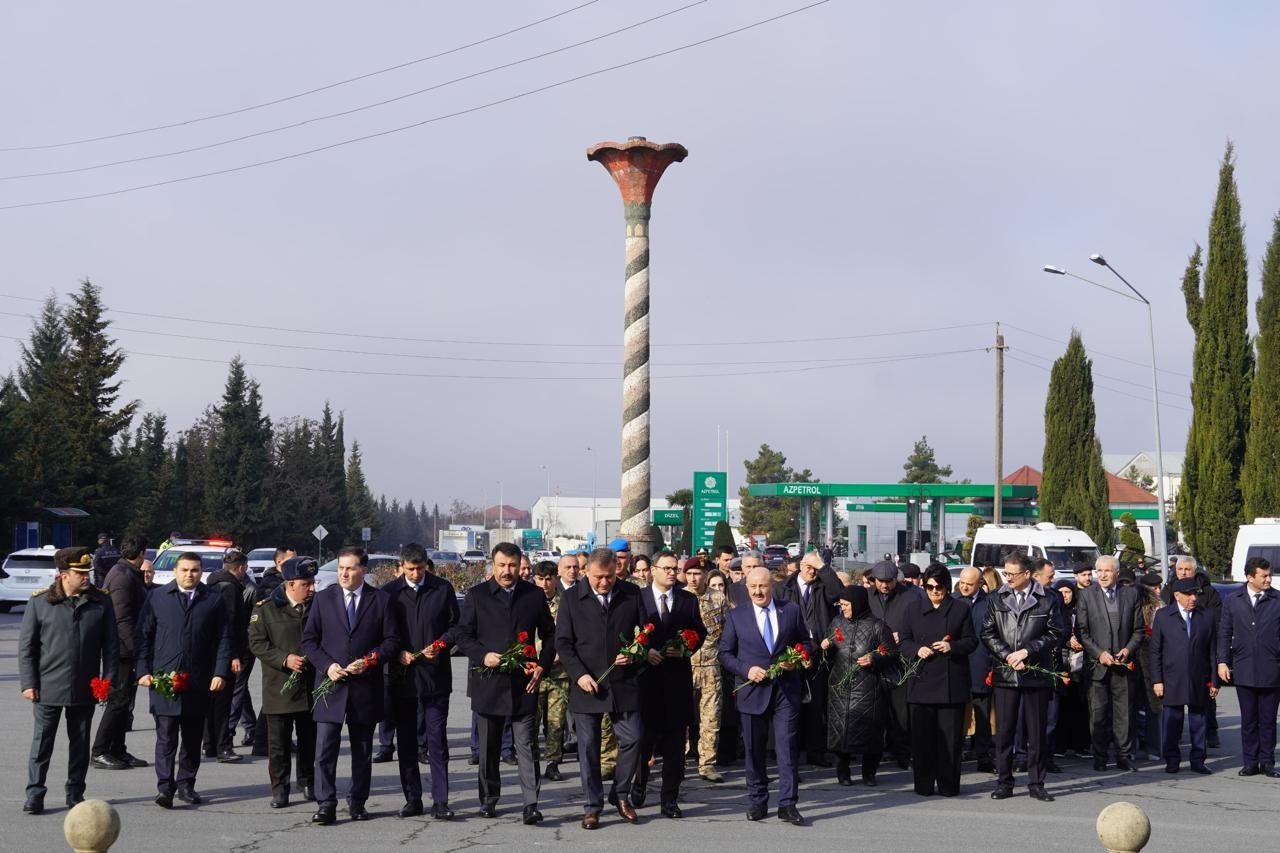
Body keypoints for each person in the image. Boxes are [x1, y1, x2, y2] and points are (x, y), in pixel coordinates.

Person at [456, 542, 555, 824]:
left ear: (520, 565)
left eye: (512, 565)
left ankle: (531, 804)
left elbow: (550, 635)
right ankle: (489, 799)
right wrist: (482, 655)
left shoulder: (533, 595)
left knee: (527, 745)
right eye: (501, 565)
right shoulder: (477, 596)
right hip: (489, 682)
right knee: (489, 747)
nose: (507, 571)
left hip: (524, 683)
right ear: (493, 564)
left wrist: (542, 666)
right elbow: (462, 635)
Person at [302, 546, 400, 825]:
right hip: (330, 686)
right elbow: (309, 640)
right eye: (341, 568)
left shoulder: (380, 600)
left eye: (350, 568)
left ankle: (357, 802)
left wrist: (369, 661)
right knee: (325, 749)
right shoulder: (323, 599)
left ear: (363, 570)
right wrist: (327, 666)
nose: (344, 573)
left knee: (362, 750)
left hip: (364, 687)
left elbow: (391, 641)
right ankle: (326, 804)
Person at [19, 547, 118, 814]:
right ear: (63, 575)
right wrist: (29, 683)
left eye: (88, 572)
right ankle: (35, 794)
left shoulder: (100, 602)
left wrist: (107, 681)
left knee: (80, 744)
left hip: (85, 686)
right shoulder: (40, 602)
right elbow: (27, 647)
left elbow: (111, 647)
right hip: (47, 686)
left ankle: (75, 792)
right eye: (80, 573)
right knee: (42, 744)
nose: (86, 577)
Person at [554, 546, 646, 831]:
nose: (604, 582)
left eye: (609, 577)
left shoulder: (631, 594)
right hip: (587, 684)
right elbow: (563, 643)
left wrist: (634, 653)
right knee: (589, 748)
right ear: (586, 572)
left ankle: (620, 794)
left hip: (623, 682)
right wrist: (579, 674)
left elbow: (644, 634)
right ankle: (592, 807)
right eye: (598, 577)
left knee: (634, 738)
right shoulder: (571, 599)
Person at [135, 551, 231, 809]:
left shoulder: (213, 599)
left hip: (198, 680)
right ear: (175, 571)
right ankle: (165, 787)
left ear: (201, 572)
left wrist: (220, 672)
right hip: (164, 679)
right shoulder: (157, 597)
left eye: (195, 570)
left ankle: (186, 784)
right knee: (166, 737)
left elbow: (224, 639)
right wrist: (142, 670)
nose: (189, 575)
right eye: (185, 570)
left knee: (191, 737)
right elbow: (143, 637)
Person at [720, 566, 811, 825]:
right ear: (747, 588)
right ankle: (758, 800)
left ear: (772, 586)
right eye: (753, 587)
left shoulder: (790, 610)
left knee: (787, 748)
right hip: (752, 692)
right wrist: (746, 670)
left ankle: (788, 803)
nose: (758, 591)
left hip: (785, 692)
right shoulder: (737, 615)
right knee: (754, 750)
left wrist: (797, 658)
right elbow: (724, 653)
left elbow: (806, 643)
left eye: (763, 586)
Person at [384, 543, 459, 820]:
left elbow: (456, 626)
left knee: (437, 741)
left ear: (427, 565)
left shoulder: (442, 589)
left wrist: (441, 644)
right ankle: (412, 799)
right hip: (403, 679)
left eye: (420, 568)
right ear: (401, 566)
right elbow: (383, 633)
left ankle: (441, 801)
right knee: (406, 743)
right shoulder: (389, 593)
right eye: (410, 569)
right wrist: (398, 653)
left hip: (435, 678)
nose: (416, 574)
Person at [981, 554, 1063, 802]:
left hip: (1035, 673)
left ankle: (1036, 783)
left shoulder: (1048, 598)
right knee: (1005, 732)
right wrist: (1007, 655)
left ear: (1027, 574)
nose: (1007, 578)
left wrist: (1027, 652)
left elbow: (1056, 633)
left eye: (1012, 574)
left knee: (1036, 733)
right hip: (1006, 673)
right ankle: (1004, 782)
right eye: (1005, 573)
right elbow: (987, 632)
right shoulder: (996, 598)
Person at [631, 551, 706, 817]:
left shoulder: (687, 600)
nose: (673, 573)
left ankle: (670, 798)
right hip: (647, 680)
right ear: (653, 570)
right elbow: (628, 632)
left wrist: (686, 648)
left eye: (675, 568)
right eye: (667, 568)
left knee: (675, 745)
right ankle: (639, 783)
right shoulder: (638, 598)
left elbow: (699, 632)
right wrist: (644, 653)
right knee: (643, 739)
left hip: (677, 680)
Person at [899, 564, 977, 797]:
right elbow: (903, 641)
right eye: (929, 587)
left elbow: (971, 641)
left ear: (947, 587)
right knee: (922, 741)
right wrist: (916, 650)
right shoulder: (913, 609)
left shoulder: (960, 609)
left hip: (950, 684)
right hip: (921, 682)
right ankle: (923, 785)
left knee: (950, 741)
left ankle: (948, 785)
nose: (934, 591)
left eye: (939, 587)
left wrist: (952, 646)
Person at [248, 556, 318, 808]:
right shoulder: (266, 608)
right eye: (306, 584)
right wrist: (284, 659)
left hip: (311, 686)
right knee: (279, 745)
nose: (312, 588)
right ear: (290, 584)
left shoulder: (318, 606)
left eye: (313, 583)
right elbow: (257, 643)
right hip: (280, 686)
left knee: (309, 740)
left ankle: (308, 782)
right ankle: (280, 789)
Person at [1075, 555, 1144, 771]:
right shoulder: (1086, 595)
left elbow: (1139, 630)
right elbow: (1082, 632)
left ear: (1117, 573)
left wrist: (1128, 649)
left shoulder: (1131, 594)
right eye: (1099, 571)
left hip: (1123, 665)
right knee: (1098, 714)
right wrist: (1099, 654)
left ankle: (1123, 755)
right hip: (1098, 666)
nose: (1102, 575)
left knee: (1124, 714)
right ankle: (1100, 757)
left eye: (1107, 571)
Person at [823, 585, 896, 786]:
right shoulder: (837, 622)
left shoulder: (878, 626)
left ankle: (869, 773)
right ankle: (843, 772)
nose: (843, 609)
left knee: (870, 733)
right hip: (840, 687)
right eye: (841, 605)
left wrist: (874, 658)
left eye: (846, 605)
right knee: (840, 731)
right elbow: (829, 654)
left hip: (868, 689)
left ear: (858, 604)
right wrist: (825, 647)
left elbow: (892, 653)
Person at [1217, 556, 1280, 777]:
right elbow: (1224, 633)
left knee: (1268, 721)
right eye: (1264, 576)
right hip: (1244, 668)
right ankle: (1250, 762)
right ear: (1250, 577)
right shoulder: (1233, 600)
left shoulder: (1277, 599)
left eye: (1269, 575)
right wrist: (1222, 661)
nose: (1268, 579)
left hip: (1272, 669)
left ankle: (1267, 762)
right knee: (1249, 720)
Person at [91, 536, 149, 771]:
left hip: (127, 649)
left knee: (125, 703)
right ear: (142, 553)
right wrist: (137, 652)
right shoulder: (122, 576)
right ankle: (100, 751)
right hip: (122, 651)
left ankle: (118, 749)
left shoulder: (127, 573)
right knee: (117, 702)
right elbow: (122, 619)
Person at [1151, 577, 1218, 774]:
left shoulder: (1206, 616)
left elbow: (1212, 651)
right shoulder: (1163, 616)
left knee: (1199, 722)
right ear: (1177, 595)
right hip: (1172, 677)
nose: (1193, 598)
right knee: (1172, 721)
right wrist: (1157, 680)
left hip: (1199, 677)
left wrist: (1214, 681)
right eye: (1189, 594)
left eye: (1195, 593)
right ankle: (1172, 760)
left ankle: (1198, 760)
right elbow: (1155, 651)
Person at [777, 551, 836, 768]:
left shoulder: (822, 585)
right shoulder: (784, 587)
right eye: (809, 567)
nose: (813, 572)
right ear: (801, 565)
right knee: (790, 706)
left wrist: (823, 567)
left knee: (816, 706)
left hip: (819, 653)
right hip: (791, 654)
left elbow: (838, 593)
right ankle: (790, 754)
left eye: (816, 568)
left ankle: (816, 752)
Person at [1161, 556, 1223, 747]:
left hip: (1201, 650)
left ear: (1194, 571)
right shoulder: (1169, 590)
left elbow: (1216, 620)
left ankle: (1210, 732)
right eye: (1180, 569)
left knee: (1205, 700)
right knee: (1174, 705)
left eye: (1187, 569)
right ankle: (1176, 738)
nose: (1183, 572)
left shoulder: (1208, 592)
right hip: (1176, 655)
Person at [201, 550, 253, 763]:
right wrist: (234, 655)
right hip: (226, 652)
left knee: (212, 701)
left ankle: (209, 744)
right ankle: (223, 746)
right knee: (224, 702)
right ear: (240, 568)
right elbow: (229, 624)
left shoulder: (212, 583)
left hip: (211, 652)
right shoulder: (230, 588)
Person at [867, 559, 917, 768]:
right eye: (880, 581)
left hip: (900, 661)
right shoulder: (867, 596)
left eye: (889, 581)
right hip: (874, 660)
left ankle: (902, 752)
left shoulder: (911, 596)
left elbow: (918, 624)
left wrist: (903, 635)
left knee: (901, 711)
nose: (884, 585)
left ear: (896, 579)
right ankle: (876, 753)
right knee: (876, 710)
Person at [685, 559, 728, 783]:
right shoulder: (680, 596)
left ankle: (707, 764)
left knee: (711, 718)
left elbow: (727, 630)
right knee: (680, 716)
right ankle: (678, 759)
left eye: (697, 573)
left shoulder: (718, 598)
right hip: (685, 664)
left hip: (711, 665)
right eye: (689, 573)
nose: (693, 578)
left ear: (705, 575)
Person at [955, 567, 995, 773]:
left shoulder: (990, 603)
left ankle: (983, 757)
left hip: (981, 666)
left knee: (982, 716)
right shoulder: (953, 601)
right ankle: (954, 755)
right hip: (956, 666)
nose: (964, 587)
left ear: (980, 583)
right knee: (956, 716)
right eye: (962, 583)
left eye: (969, 584)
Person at [533, 561, 570, 782]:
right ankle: (532, 761)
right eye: (541, 579)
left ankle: (553, 762)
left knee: (556, 722)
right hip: (535, 671)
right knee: (532, 720)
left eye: (549, 579)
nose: (545, 583)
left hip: (559, 672)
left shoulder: (566, 602)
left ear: (556, 579)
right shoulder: (528, 601)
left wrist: (561, 654)